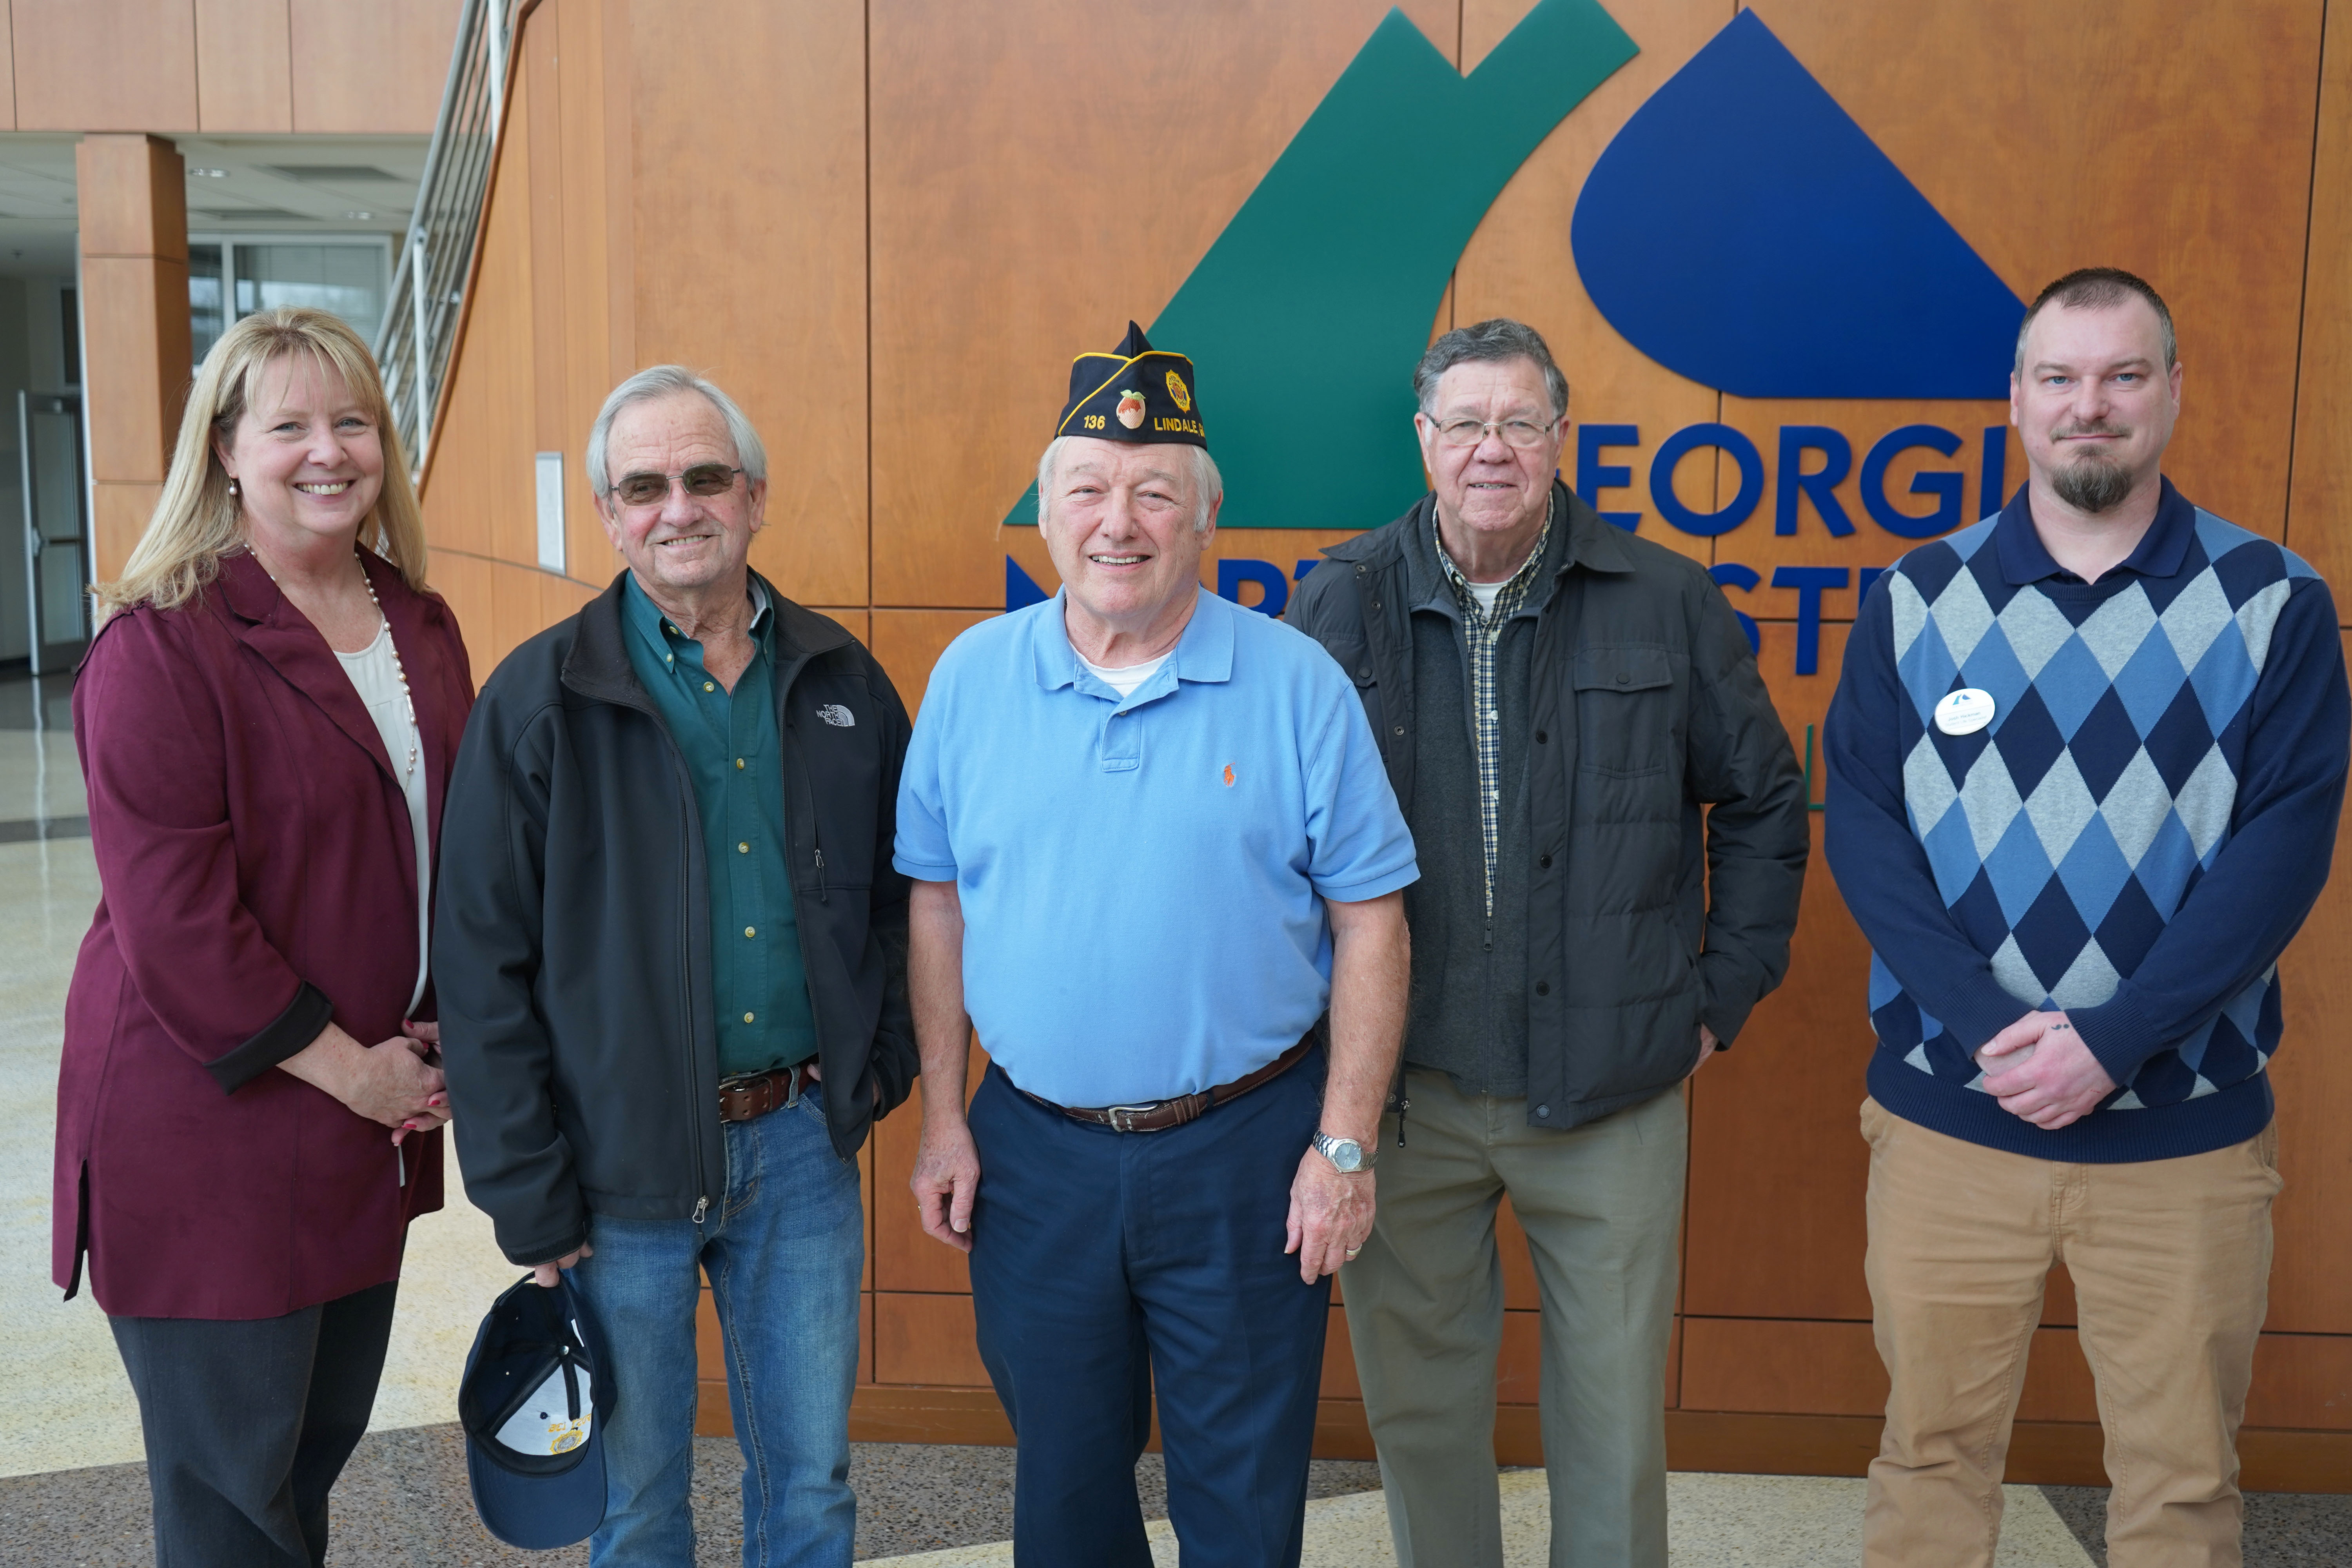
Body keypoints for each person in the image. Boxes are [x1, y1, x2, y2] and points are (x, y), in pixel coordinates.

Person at [1824, 268, 2350, 1567]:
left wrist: (2115, 1041)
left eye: (2123, 376)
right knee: (1929, 1464)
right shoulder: (1915, 596)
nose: (2090, 408)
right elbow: (1866, 830)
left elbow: (2280, 856)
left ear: (2174, 391)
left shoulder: (2273, 605)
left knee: (2181, 1492)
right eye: (2059, 379)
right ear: (2015, 402)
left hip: (2183, 1138)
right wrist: (1999, 1029)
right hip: (1955, 1115)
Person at [1289, 317, 1809, 1568]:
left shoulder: (1665, 598)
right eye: (1464, 423)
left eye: (1520, 423)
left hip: (1613, 1091)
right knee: (1419, 1415)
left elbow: (1766, 802)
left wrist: (1716, 995)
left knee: (1615, 1420)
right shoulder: (1337, 600)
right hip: (1401, 1098)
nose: (1491, 450)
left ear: (1561, 438)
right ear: (1423, 440)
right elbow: (1273, 841)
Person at [901, 323, 1417, 1568]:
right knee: (1067, 1497)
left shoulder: (1298, 686)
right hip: (1035, 1154)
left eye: (1153, 492)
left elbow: (1373, 922)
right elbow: (935, 902)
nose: (1116, 520)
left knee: (1241, 1498)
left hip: (1246, 1153)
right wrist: (943, 1118)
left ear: (1205, 521)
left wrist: (1341, 1147)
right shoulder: (972, 677)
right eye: (1086, 489)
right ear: (1045, 516)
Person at [435, 365, 918, 1568]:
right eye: (642, 486)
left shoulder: (842, 681)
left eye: (706, 477)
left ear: (754, 496)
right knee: (638, 1504)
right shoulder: (537, 700)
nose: (677, 507)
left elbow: (911, 902)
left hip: (802, 1148)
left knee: (811, 1489)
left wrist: (876, 1065)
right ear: (609, 515)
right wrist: (527, 1197)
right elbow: (480, 967)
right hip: (613, 1182)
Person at [55, 306, 470, 1567]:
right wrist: (360, 1070)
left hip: (361, 1127)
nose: (327, 451)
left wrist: (449, 1017)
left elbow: (452, 847)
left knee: (308, 1457)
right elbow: (176, 922)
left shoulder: (419, 624)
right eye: (288, 425)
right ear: (226, 449)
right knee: (236, 1499)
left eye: (351, 422)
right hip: (212, 1134)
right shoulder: (162, 643)